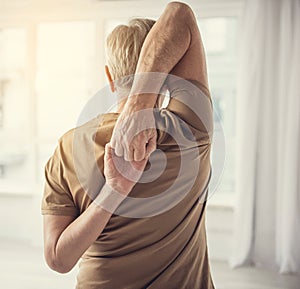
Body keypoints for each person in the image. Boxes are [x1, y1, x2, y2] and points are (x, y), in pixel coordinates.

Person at [41, 1, 215, 288]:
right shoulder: (191, 129)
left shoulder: (67, 147)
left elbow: (58, 259)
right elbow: (180, 14)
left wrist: (112, 193)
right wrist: (143, 103)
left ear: (109, 78)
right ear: (170, 73)